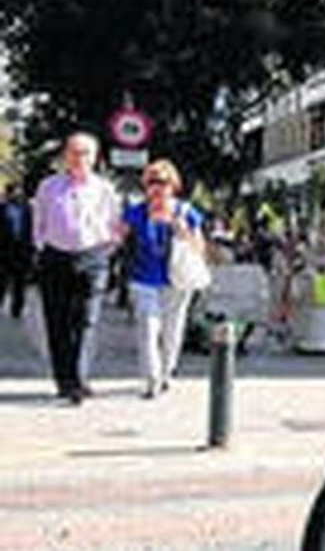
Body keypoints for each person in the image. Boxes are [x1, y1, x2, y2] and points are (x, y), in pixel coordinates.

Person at [33, 132, 124, 404]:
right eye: (74, 152)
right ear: (65, 156)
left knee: (87, 319)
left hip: (93, 257)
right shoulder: (48, 186)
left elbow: (114, 224)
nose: (79, 158)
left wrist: (107, 250)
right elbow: (39, 222)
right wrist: (41, 246)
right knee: (58, 321)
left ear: (94, 158)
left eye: (85, 153)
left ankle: (79, 378)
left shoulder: (104, 189)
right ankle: (64, 380)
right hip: (55, 258)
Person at [122, 159, 205, 399]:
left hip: (176, 281)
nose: (157, 187)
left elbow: (200, 248)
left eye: (163, 182)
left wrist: (182, 230)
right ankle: (152, 380)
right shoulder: (136, 212)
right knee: (147, 329)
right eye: (151, 182)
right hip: (143, 279)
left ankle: (167, 372)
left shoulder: (186, 212)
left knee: (172, 331)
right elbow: (118, 238)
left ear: (173, 185)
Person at [0, 183, 33, 318]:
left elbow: (32, 230)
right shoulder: (1, 209)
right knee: (1, 281)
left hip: (22, 251)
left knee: (20, 283)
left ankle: (17, 309)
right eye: (13, 193)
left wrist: (32, 250)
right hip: (3, 252)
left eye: (19, 193)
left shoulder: (28, 209)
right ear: (7, 194)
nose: (17, 195)